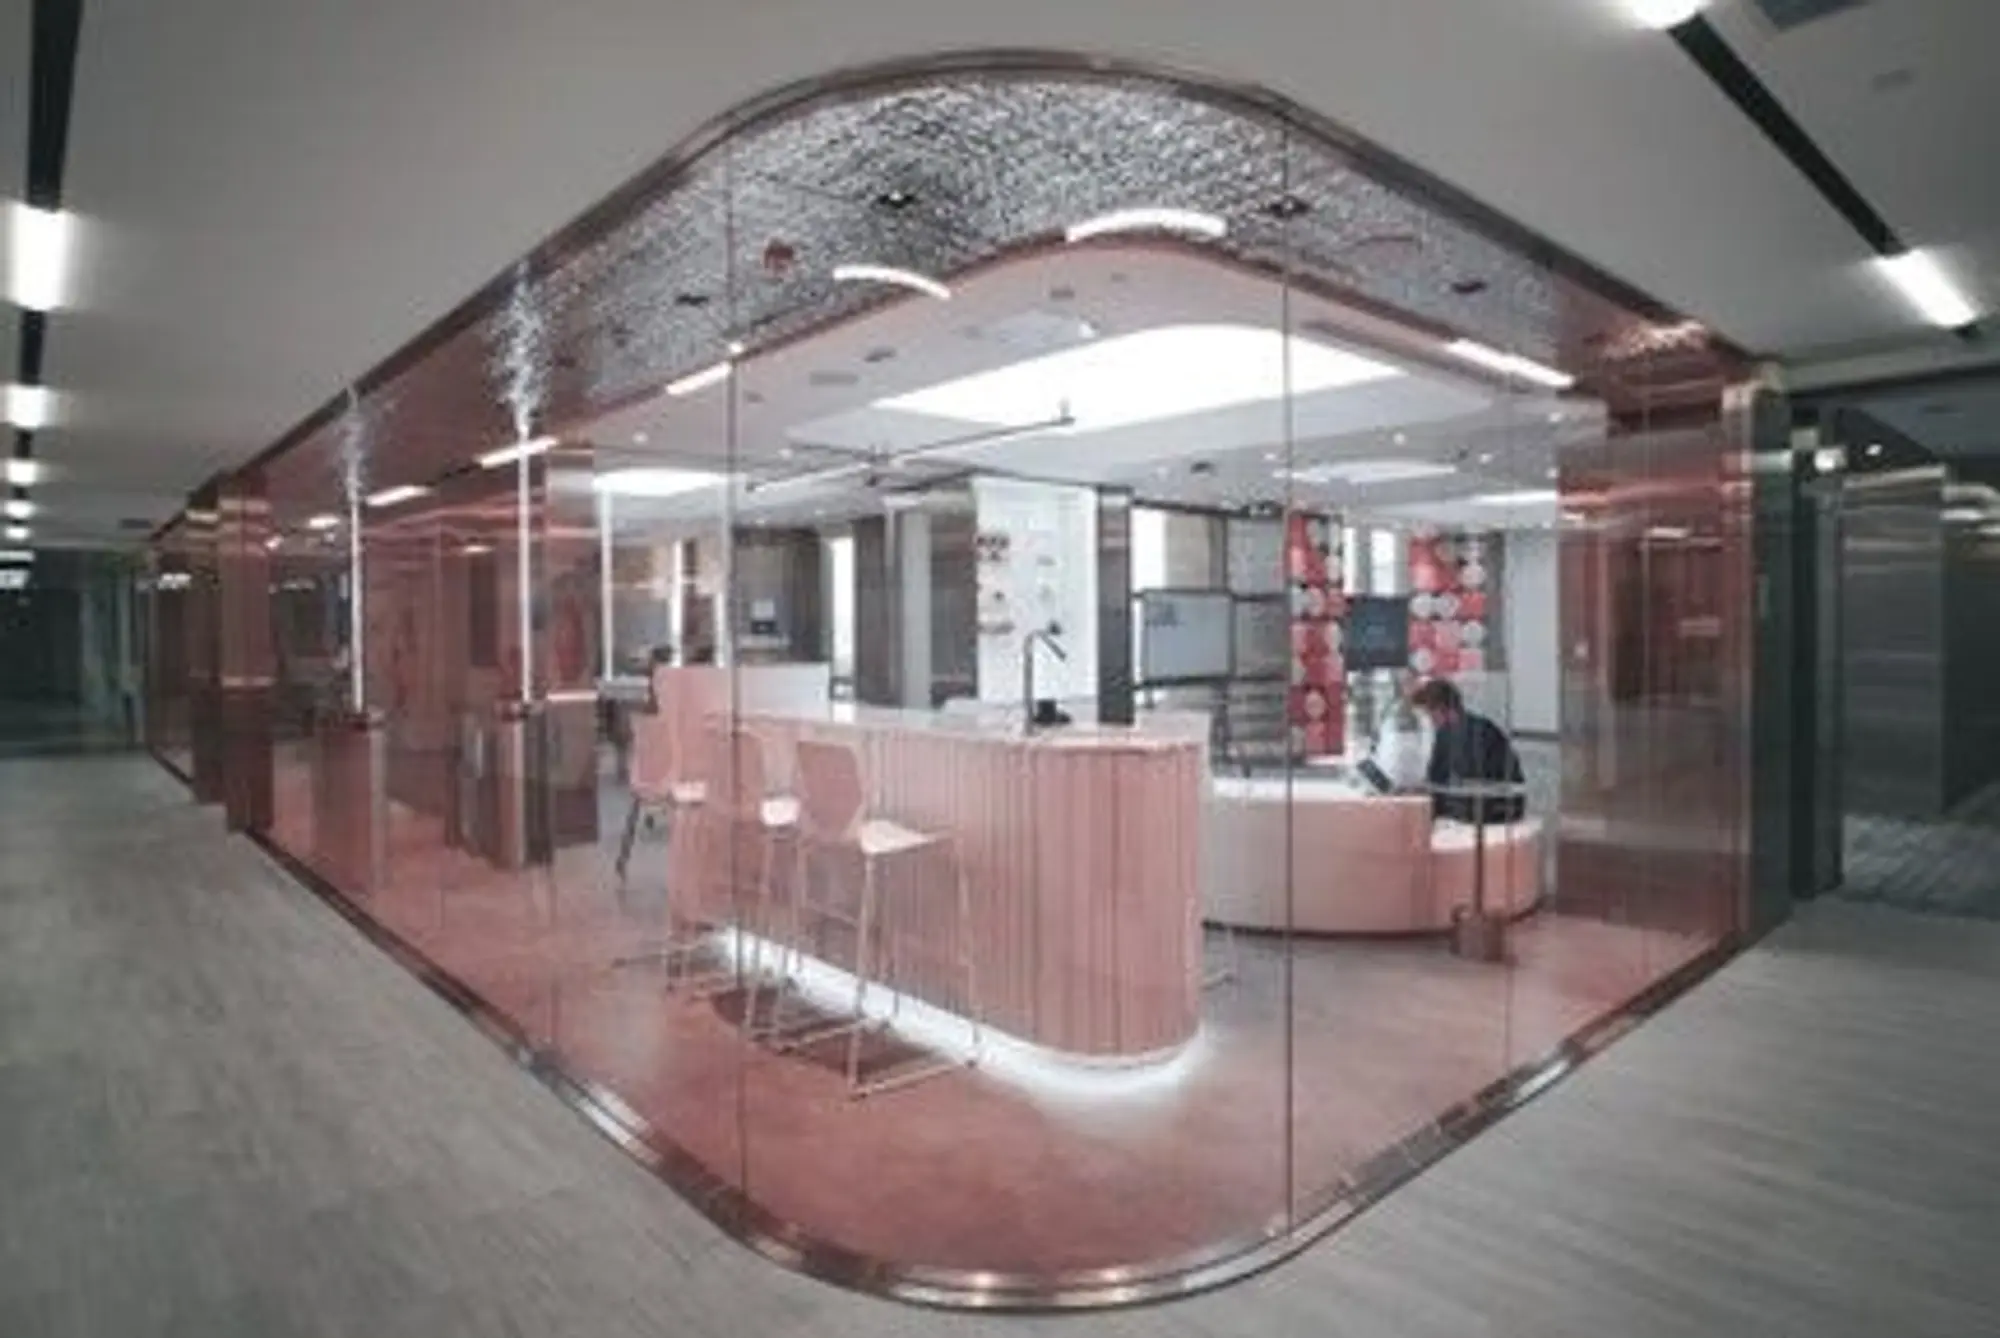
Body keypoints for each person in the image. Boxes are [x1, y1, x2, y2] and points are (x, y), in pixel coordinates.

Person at [1409, 677, 1524, 824]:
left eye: (1429, 713)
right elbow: (1437, 776)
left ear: (1442, 708)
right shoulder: (1445, 734)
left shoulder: (1481, 732)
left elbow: (1474, 781)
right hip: (1467, 806)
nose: (1429, 720)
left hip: (1494, 808)